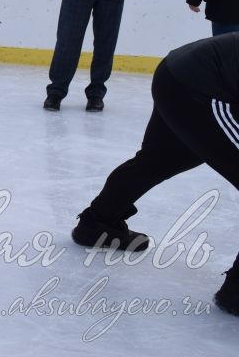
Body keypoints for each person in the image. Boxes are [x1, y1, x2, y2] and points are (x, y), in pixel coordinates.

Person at [71, 32, 239, 317]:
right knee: (160, 159)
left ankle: (98, 223)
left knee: (160, 159)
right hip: (202, 84)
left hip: (177, 73)